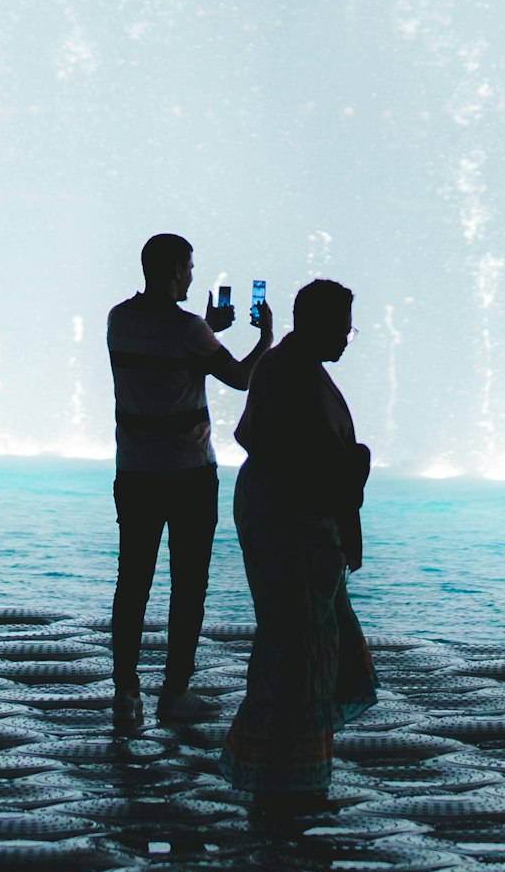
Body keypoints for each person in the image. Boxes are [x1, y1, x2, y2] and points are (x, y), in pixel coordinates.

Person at [227, 278, 374, 828]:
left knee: (302, 648)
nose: (345, 338)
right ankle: (286, 782)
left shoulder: (294, 368)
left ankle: (290, 775)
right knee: (298, 650)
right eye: (342, 327)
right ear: (314, 322)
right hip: (291, 526)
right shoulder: (292, 372)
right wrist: (350, 464)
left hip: (291, 520)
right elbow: (290, 451)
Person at [105, 235, 267, 731]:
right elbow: (241, 379)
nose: (194, 277)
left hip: (133, 471)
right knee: (188, 584)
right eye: (190, 268)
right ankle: (175, 692)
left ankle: (125, 690)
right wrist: (265, 338)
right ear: (176, 271)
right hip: (187, 473)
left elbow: (176, 350)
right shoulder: (189, 329)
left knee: (132, 582)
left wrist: (206, 332)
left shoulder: (119, 318)